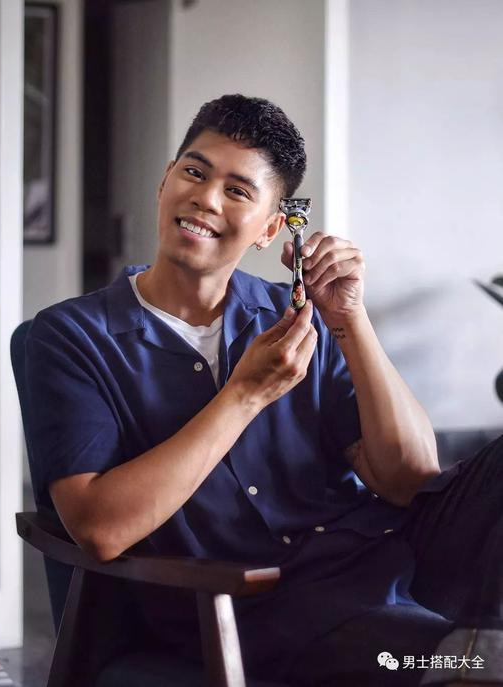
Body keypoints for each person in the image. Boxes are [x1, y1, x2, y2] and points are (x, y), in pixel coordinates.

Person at [25, 94, 503, 686]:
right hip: (264, 613)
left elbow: (409, 479)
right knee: (456, 664)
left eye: (238, 190)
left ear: (271, 228)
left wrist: (351, 322)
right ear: (164, 182)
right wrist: (244, 396)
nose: (206, 198)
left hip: (389, 561)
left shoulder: (296, 316)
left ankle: (478, 649)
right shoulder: (69, 337)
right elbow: (99, 530)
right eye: (194, 172)